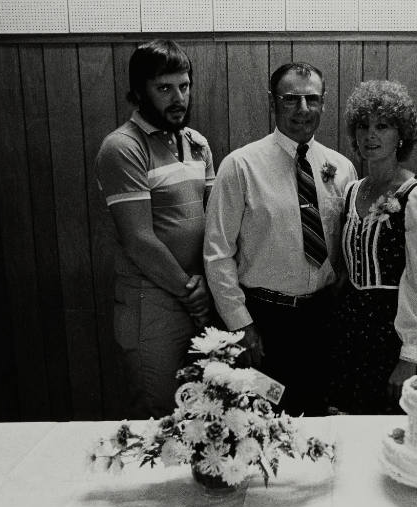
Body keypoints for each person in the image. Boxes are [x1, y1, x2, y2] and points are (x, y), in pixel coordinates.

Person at [203, 62, 357, 416]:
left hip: (321, 321)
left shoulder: (342, 168)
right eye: (291, 99)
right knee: (264, 417)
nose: (302, 110)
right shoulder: (240, 166)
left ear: (323, 102)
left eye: (311, 99)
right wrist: (241, 323)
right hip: (264, 321)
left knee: (317, 418)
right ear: (272, 102)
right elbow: (217, 252)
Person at [95, 39, 215, 419]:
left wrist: (207, 287)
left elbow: (215, 222)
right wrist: (190, 291)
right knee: (158, 418)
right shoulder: (122, 146)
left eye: (184, 86)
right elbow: (139, 240)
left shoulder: (197, 143)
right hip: (153, 303)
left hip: (198, 295)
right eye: (164, 88)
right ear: (139, 92)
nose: (178, 97)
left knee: (201, 416)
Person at [326, 80, 417, 414]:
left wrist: (409, 355)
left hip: (392, 330)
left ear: (400, 134)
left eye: (382, 126)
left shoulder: (416, 195)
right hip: (350, 325)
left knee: (384, 422)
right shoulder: (351, 191)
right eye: (363, 126)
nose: (370, 135)